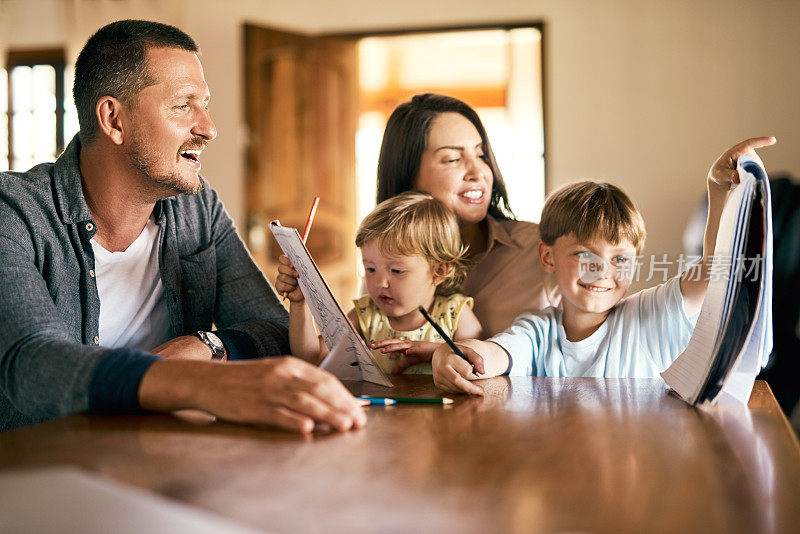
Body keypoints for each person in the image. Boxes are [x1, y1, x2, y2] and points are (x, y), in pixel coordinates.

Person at [0, 20, 365, 433]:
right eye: (182, 105)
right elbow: (31, 364)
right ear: (113, 119)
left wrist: (204, 346)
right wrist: (199, 383)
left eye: (204, 104)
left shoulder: (198, 209)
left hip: (163, 465)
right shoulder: (13, 212)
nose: (208, 128)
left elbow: (274, 330)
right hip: (38, 477)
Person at [431, 138, 776, 395]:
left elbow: (714, 268)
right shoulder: (536, 332)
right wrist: (455, 355)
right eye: (584, 255)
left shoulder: (650, 316)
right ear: (547, 258)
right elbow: (494, 353)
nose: (603, 271)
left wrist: (717, 190)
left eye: (620, 259)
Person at [376, 93, 560, 338]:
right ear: (407, 176)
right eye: (452, 159)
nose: (478, 172)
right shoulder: (382, 264)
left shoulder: (543, 249)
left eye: (481, 155)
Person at [276, 192, 482, 373]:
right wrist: (300, 304)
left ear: (439, 270)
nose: (380, 282)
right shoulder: (366, 315)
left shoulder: (456, 314)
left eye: (396, 270)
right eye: (370, 269)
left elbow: (477, 365)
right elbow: (312, 358)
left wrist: (435, 352)